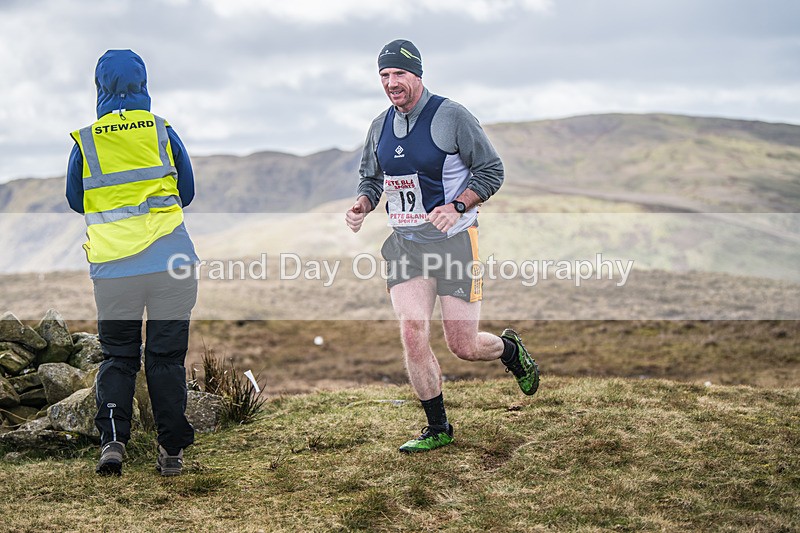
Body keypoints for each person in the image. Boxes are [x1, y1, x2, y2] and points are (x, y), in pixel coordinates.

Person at [345, 39, 540, 453]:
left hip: (454, 243)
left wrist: (458, 204)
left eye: (399, 74)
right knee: (412, 330)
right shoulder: (379, 125)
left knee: (463, 346)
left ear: (417, 74)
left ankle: (509, 350)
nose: (391, 83)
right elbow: (372, 179)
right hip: (406, 244)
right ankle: (438, 429)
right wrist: (363, 203)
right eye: (384, 75)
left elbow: (491, 170)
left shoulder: (451, 116)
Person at [66, 49, 199, 476]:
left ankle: (112, 442)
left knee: (119, 357)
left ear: (100, 87)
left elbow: (75, 198)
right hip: (170, 261)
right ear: (144, 84)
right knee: (166, 358)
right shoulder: (162, 131)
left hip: (114, 269)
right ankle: (172, 451)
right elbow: (188, 191)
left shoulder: (87, 140)